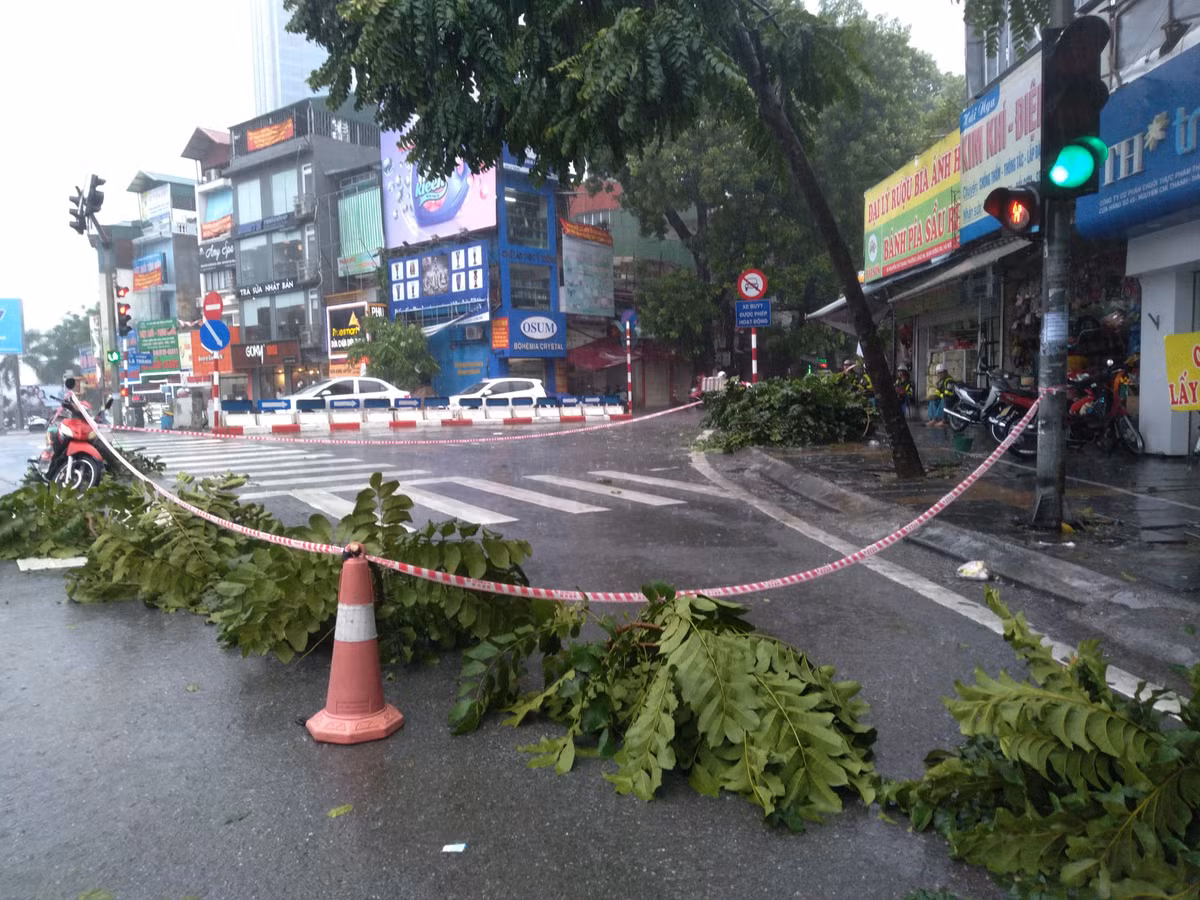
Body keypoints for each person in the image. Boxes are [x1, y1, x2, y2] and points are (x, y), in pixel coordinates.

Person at [927, 362, 952, 426]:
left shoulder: (949, 381)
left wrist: (938, 396)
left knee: (944, 400)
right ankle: (932, 419)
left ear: (945, 372)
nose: (939, 374)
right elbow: (938, 392)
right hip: (942, 398)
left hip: (950, 399)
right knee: (933, 401)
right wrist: (934, 396)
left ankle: (938, 419)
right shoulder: (940, 382)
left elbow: (948, 394)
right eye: (938, 373)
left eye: (941, 373)